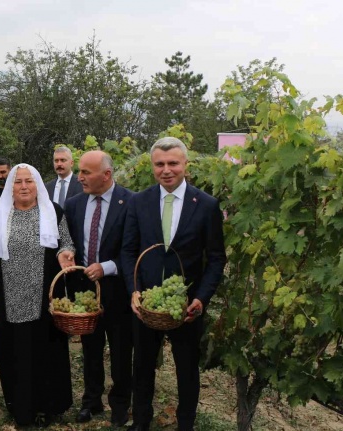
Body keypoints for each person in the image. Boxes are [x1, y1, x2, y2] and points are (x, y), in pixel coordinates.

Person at [120, 137, 227, 431]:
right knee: (141, 366)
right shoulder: (138, 201)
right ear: (153, 166)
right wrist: (134, 290)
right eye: (160, 164)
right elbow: (128, 251)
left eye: (173, 163)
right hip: (147, 304)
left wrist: (201, 298)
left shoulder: (206, 205)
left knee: (187, 369)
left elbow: (216, 258)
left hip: (186, 306)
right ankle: (141, 421)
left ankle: (186, 424)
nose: (166, 170)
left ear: (185, 165)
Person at [0, 163, 76, 428]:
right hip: (9, 297)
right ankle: (21, 406)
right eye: (18, 182)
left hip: (44, 297)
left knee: (46, 352)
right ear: (10, 187)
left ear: (37, 185)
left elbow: (66, 242)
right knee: (15, 354)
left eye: (29, 181)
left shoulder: (53, 212)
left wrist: (64, 253)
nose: (24, 186)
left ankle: (49, 405)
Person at [64, 151, 133, 427]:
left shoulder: (130, 202)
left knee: (119, 352)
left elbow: (133, 249)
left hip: (117, 292)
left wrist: (107, 267)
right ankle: (91, 400)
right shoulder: (74, 204)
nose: (79, 177)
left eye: (85, 172)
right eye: (79, 171)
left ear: (106, 175)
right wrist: (67, 253)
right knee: (90, 350)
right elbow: (68, 241)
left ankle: (119, 404)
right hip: (85, 294)